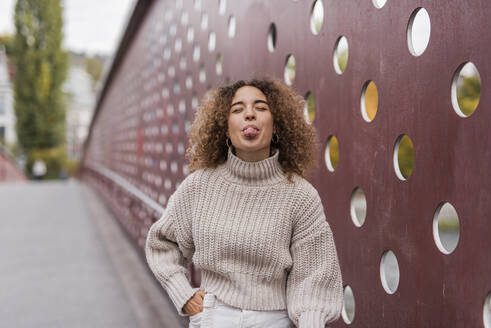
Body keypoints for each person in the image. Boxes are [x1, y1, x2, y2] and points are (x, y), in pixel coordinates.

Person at [145, 78, 343, 328]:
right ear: (225, 128)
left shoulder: (301, 196)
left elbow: (315, 275)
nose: (249, 114)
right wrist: (184, 296)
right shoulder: (199, 186)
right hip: (212, 318)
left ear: (276, 126)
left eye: (261, 108)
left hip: (276, 320)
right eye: (237, 110)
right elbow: (162, 243)